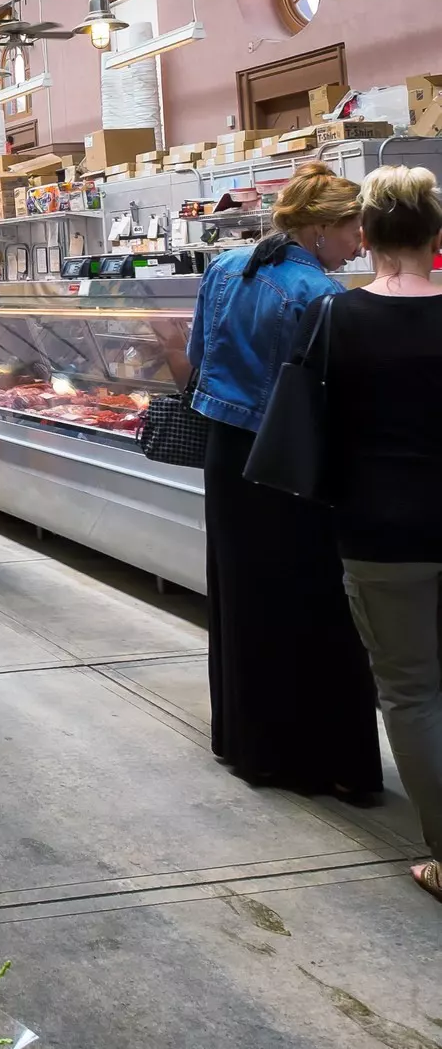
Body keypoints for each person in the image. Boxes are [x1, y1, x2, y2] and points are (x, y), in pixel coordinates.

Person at [187, 161, 380, 798]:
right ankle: (313, 758)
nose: (361, 242)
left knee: (242, 595)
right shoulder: (320, 296)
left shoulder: (223, 268)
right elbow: (331, 395)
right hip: (291, 460)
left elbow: (196, 359)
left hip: (226, 452)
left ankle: (247, 742)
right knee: (311, 603)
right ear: (321, 229)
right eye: (354, 228)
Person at [296, 166, 442, 900]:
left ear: (368, 237)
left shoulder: (337, 316)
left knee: (412, 692)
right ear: (435, 234)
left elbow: (314, 426)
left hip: (380, 529)